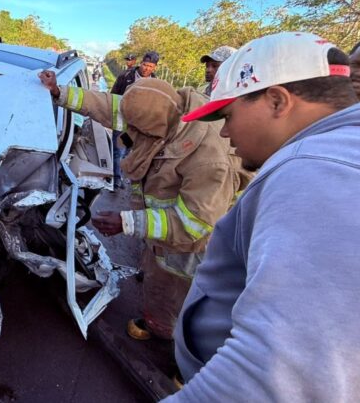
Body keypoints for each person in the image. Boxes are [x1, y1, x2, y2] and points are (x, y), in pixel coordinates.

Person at [167, 32, 360, 401]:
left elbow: (278, 379)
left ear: (276, 101)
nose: (224, 133)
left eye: (228, 115)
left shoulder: (317, 168)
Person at [37, 70, 249, 346]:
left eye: (138, 131)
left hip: (193, 247)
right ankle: (158, 323)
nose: (130, 134)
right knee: (157, 277)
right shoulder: (165, 108)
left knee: (183, 295)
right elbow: (111, 107)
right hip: (162, 236)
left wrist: (127, 222)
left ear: (156, 131)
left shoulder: (208, 162)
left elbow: (194, 225)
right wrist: (59, 93)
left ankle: (182, 356)